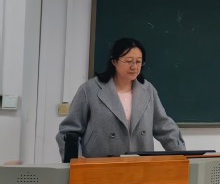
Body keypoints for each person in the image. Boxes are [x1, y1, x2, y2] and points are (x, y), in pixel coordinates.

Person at [56, 37, 185, 159]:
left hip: (139, 166)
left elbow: (163, 126)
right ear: (114, 61)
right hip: (99, 165)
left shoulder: (148, 90)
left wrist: (182, 155)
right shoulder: (90, 89)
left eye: (138, 62)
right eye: (128, 61)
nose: (134, 67)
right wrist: (76, 160)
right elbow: (69, 130)